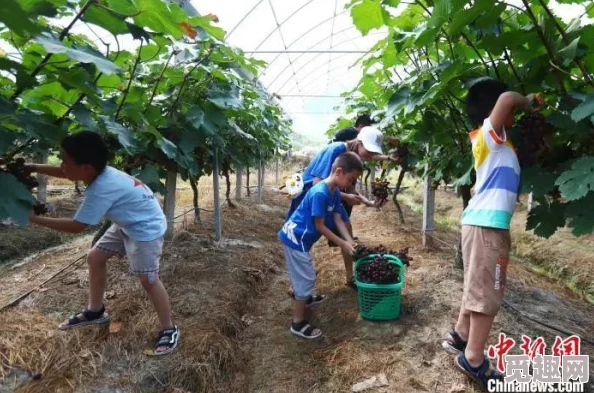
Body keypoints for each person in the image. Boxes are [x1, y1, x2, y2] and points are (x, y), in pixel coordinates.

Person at [27, 131, 179, 356]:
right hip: (127, 220)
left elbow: (77, 226)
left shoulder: (101, 188)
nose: (61, 166)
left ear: (86, 167)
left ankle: (169, 329)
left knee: (148, 279)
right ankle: (95, 312)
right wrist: (31, 167)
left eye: (65, 161)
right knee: (95, 257)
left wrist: (32, 218)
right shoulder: (98, 171)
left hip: (145, 227)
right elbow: (64, 171)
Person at [440, 78, 543, 388]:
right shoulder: (489, 133)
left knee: (478, 284)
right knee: (488, 292)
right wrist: (527, 100)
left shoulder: (499, 143)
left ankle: (460, 336)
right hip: (488, 226)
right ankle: (472, 359)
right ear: (493, 109)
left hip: (481, 223)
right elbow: (511, 97)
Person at [287, 126, 393, 288]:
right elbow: (318, 184)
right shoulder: (335, 150)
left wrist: (370, 203)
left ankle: (350, 277)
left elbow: (351, 190)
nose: (370, 156)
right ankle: (295, 286)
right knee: (302, 237)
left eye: (373, 154)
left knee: (346, 226)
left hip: (331, 196)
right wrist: (346, 197)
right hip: (310, 197)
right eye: (369, 151)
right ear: (358, 142)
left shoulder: (353, 161)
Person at [279, 152, 363, 339]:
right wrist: (342, 242)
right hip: (296, 239)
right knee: (306, 279)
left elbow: (337, 218)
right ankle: (298, 322)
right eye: (351, 180)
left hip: (302, 238)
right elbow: (320, 225)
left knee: (304, 277)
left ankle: (305, 298)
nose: (351, 185)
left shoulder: (333, 192)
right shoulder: (320, 193)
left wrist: (349, 240)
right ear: (339, 172)